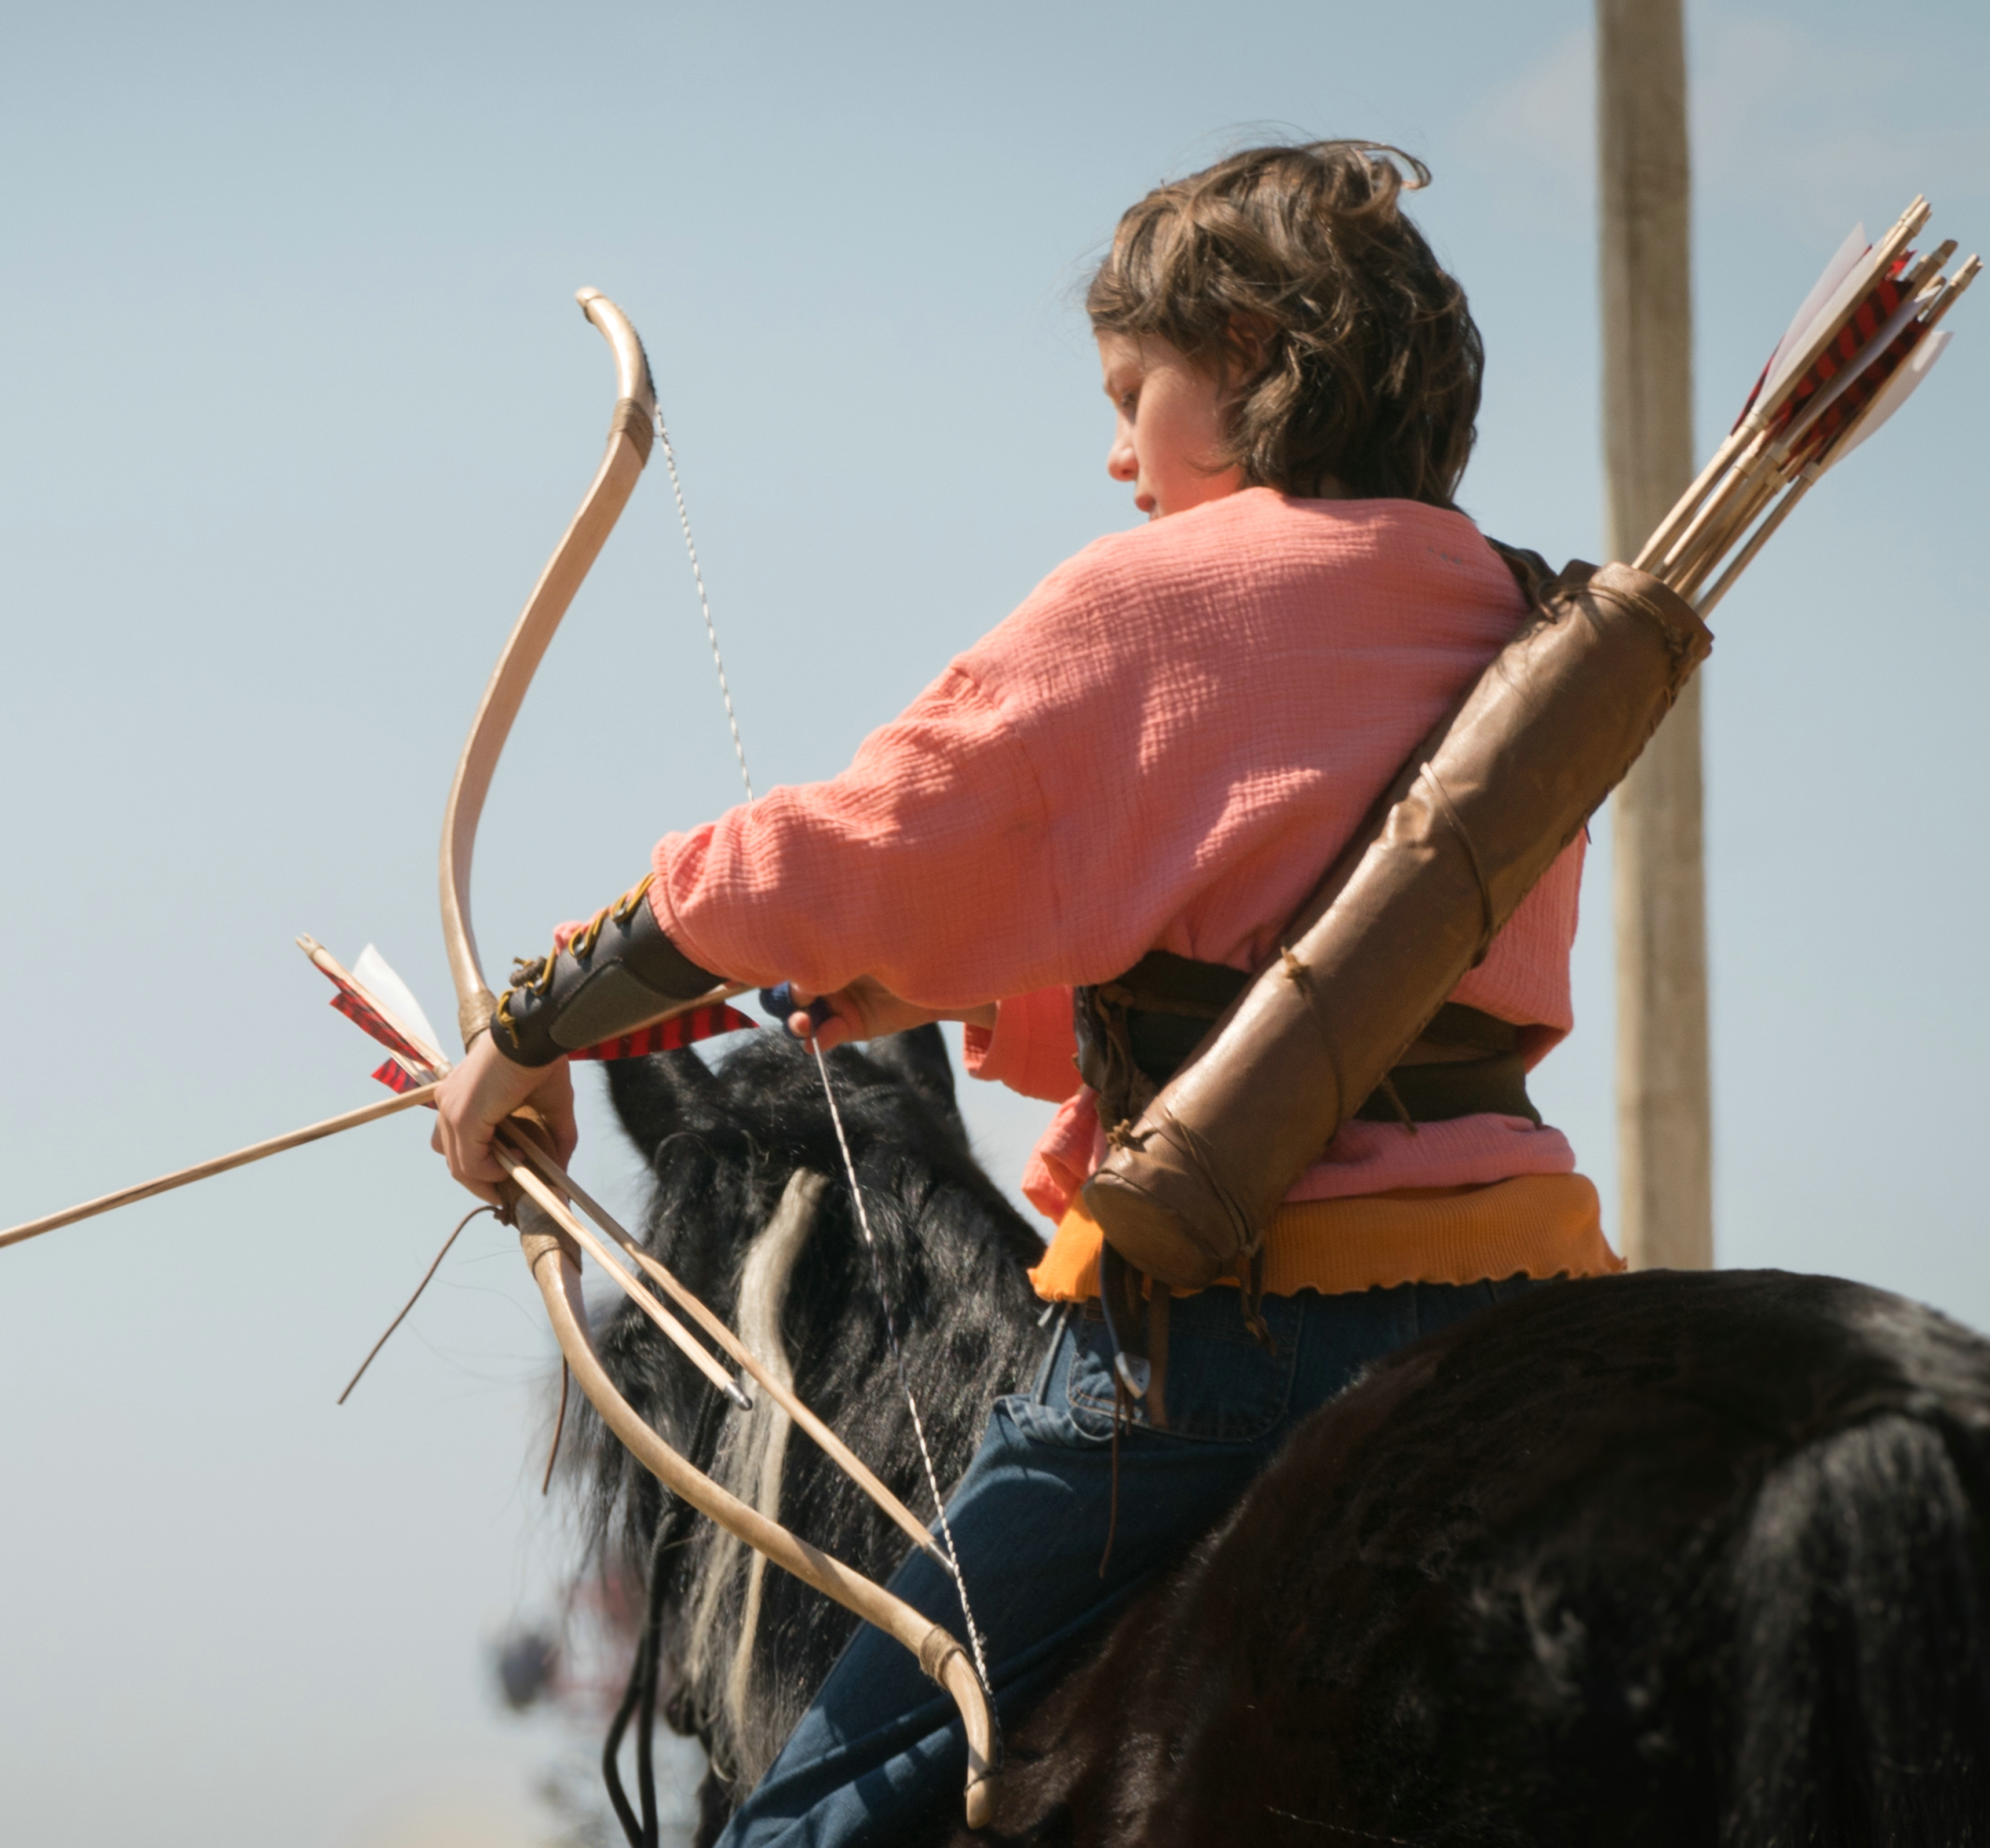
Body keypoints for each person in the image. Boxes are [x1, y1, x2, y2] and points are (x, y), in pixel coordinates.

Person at [433, 141, 1627, 1846]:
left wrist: (534, 1025)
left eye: (1134, 391)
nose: (1119, 451)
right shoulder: (1518, 613)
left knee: (798, 1819)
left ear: (1247, 348)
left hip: (1228, 1348)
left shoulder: (1148, 602)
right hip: (1537, 1306)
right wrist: (940, 989)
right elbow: (1295, 972)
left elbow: (826, 860)